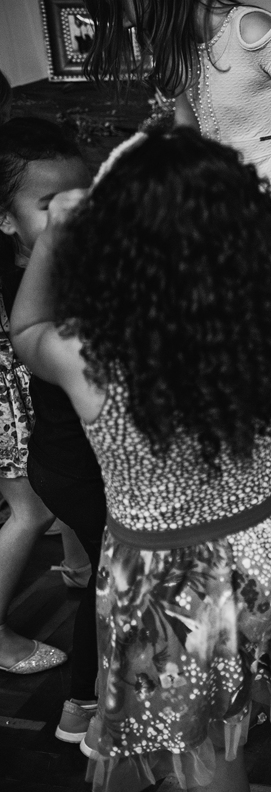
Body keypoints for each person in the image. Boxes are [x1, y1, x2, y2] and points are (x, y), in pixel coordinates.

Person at [11, 128, 271, 792]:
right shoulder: (253, 329)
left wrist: (54, 238)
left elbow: (26, 329)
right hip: (264, 544)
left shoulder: (92, 356)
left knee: (204, 732)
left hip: (167, 577)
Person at [85, 0, 271, 543]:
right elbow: (190, 136)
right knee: (245, 356)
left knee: (269, 363)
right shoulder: (172, 47)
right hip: (227, 212)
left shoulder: (250, 31)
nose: (119, 20)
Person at [0, 117, 107, 746]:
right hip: (80, 466)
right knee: (112, 580)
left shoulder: (47, 266)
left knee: (105, 570)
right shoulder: (49, 285)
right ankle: (84, 706)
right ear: (6, 219)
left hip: (61, 460)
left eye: (82, 200)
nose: (73, 217)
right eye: (52, 207)